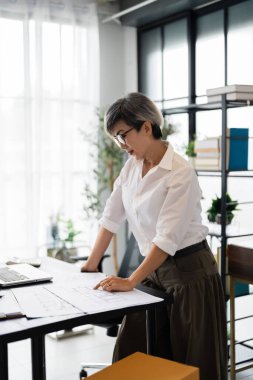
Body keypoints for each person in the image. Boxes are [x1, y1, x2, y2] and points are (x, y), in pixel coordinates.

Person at [81, 92, 227, 380]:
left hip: (189, 273)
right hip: (154, 271)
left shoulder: (180, 173)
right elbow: (111, 216)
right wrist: (90, 264)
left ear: (146, 127)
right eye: (116, 138)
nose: (121, 145)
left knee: (192, 364)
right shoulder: (132, 167)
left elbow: (166, 240)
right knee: (132, 351)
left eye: (123, 135)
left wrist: (131, 280)